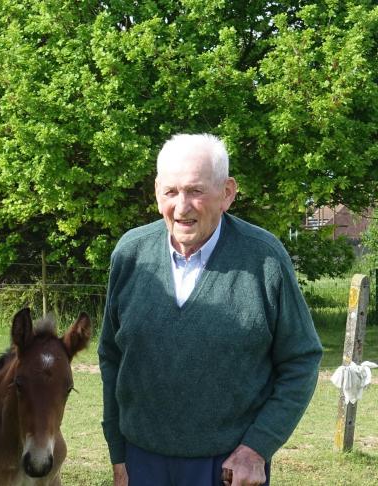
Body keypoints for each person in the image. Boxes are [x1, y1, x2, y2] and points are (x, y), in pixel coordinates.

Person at [97, 133, 322, 486]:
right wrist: (118, 455)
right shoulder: (130, 255)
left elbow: (302, 359)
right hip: (142, 462)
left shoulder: (264, 259)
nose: (182, 206)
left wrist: (257, 448)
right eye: (171, 191)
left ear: (227, 193)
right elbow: (111, 356)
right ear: (157, 192)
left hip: (229, 468)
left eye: (196, 191)